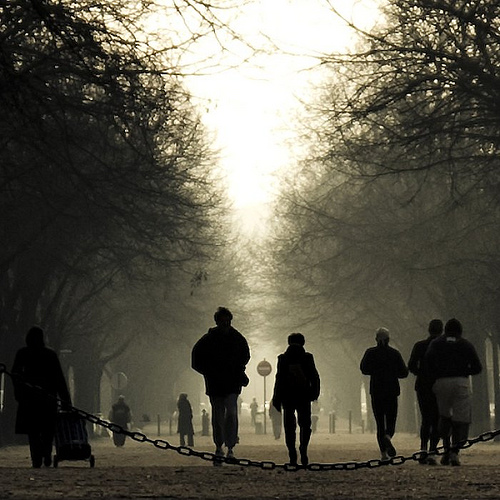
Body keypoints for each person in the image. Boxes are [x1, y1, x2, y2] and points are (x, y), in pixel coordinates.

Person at [191, 306, 250, 464]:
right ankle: (220, 446)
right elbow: (196, 360)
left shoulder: (236, 339)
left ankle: (229, 447)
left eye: (227, 321)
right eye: (222, 321)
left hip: (229, 383)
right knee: (219, 416)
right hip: (217, 384)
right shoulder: (210, 340)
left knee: (230, 413)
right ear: (217, 322)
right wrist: (210, 372)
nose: (225, 323)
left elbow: (245, 356)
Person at [11, 326, 72, 468]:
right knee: (47, 430)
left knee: (33, 432)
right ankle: (46, 454)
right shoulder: (50, 354)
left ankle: (36, 458)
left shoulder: (23, 354)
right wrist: (65, 400)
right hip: (47, 399)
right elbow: (59, 379)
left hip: (30, 400)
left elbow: (15, 375)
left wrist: (19, 393)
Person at [425, 318, 482, 466]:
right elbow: (477, 367)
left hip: (441, 381)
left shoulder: (436, 344)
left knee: (444, 416)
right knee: (461, 419)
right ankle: (455, 452)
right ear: (460, 331)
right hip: (460, 382)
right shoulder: (466, 344)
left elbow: (427, 363)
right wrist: (464, 371)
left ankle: (445, 446)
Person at [272, 332, 320, 467]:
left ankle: (292, 453)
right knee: (305, 425)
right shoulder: (307, 357)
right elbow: (314, 377)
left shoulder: (283, 358)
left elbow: (279, 379)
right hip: (304, 396)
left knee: (289, 426)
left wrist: (276, 398)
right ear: (303, 343)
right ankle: (303, 448)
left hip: (287, 397)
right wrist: (314, 394)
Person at [360, 327, 408, 460]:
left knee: (380, 422)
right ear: (389, 339)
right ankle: (388, 436)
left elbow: (364, 369)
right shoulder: (394, 354)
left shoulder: (370, 353)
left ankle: (383, 453)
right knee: (391, 419)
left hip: (376, 391)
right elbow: (403, 372)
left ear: (376, 339)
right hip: (392, 391)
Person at [408, 319, 443, 465]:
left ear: (429, 330)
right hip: (440, 385)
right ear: (441, 331)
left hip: (423, 385)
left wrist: (420, 373)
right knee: (437, 419)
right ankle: (432, 450)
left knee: (426, 418)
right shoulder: (443, 347)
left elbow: (411, 365)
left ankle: (423, 447)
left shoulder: (420, 345)